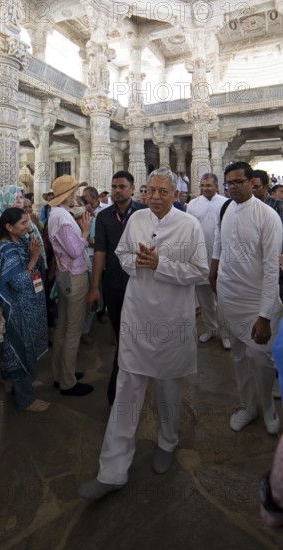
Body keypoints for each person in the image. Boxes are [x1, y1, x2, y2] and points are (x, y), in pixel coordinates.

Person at [78, 168, 208, 501]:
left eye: (163, 191)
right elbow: (121, 255)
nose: (155, 197)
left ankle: (167, 441)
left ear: (175, 195)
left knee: (167, 390)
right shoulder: (137, 220)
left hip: (171, 321)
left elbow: (200, 271)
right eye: (150, 190)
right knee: (126, 392)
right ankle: (112, 471)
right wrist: (139, 262)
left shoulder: (189, 225)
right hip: (138, 318)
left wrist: (160, 264)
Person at [209, 161, 283, 435]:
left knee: (261, 359)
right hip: (229, 296)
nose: (232, 187)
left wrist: (264, 315)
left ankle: (267, 408)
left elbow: (271, 269)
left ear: (252, 183)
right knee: (239, 356)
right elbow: (219, 238)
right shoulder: (226, 208)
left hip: (257, 301)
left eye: (238, 182)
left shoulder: (267, 217)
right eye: (229, 183)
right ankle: (248, 405)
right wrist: (213, 268)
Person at [87, 171, 147, 405]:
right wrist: (95, 286)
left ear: (132, 188)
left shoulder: (143, 213)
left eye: (122, 186)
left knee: (137, 333)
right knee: (122, 332)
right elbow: (100, 251)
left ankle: (123, 385)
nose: (117, 190)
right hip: (114, 283)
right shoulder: (104, 217)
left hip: (141, 281)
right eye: (114, 186)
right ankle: (124, 382)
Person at [0, 208, 49, 412]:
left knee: (30, 348)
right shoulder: (5, 249)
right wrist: (33, 259)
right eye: (23, 223)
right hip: (18, 311)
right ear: (9, 227)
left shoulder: (21, 241)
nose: (28, 227)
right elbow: (19, 282)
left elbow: (38, 260)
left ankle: (26, 381)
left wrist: (35, 254)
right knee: (21, 351)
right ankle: (25, 399)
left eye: (28, 222)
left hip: (31, 306)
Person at [48, 175, 94, 396]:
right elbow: (75, 250)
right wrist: (85, 232)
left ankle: (61, 375)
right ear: (66, 195)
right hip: (74, 277)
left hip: (65, 275)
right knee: (72, 331)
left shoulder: (58, 215)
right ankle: (67, 382)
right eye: (75, 192)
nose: (77, 196)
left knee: (63, 328)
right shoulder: (63, 219)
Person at [187, 173, 230, 349]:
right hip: (200, 259)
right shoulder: (192, 205)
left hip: (222, 261)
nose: (204, 189)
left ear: (217, 186)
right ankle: (211, 330)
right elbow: (189, 231)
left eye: (208, 185)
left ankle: (226, 334)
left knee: (223, 300)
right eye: (202, 185)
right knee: (205, 301)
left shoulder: (227, 203)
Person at [0, 184, 23, 251]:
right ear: (6, 198)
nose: (19, 201)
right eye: (15, 197)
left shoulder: (22, 216)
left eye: (21, 197)